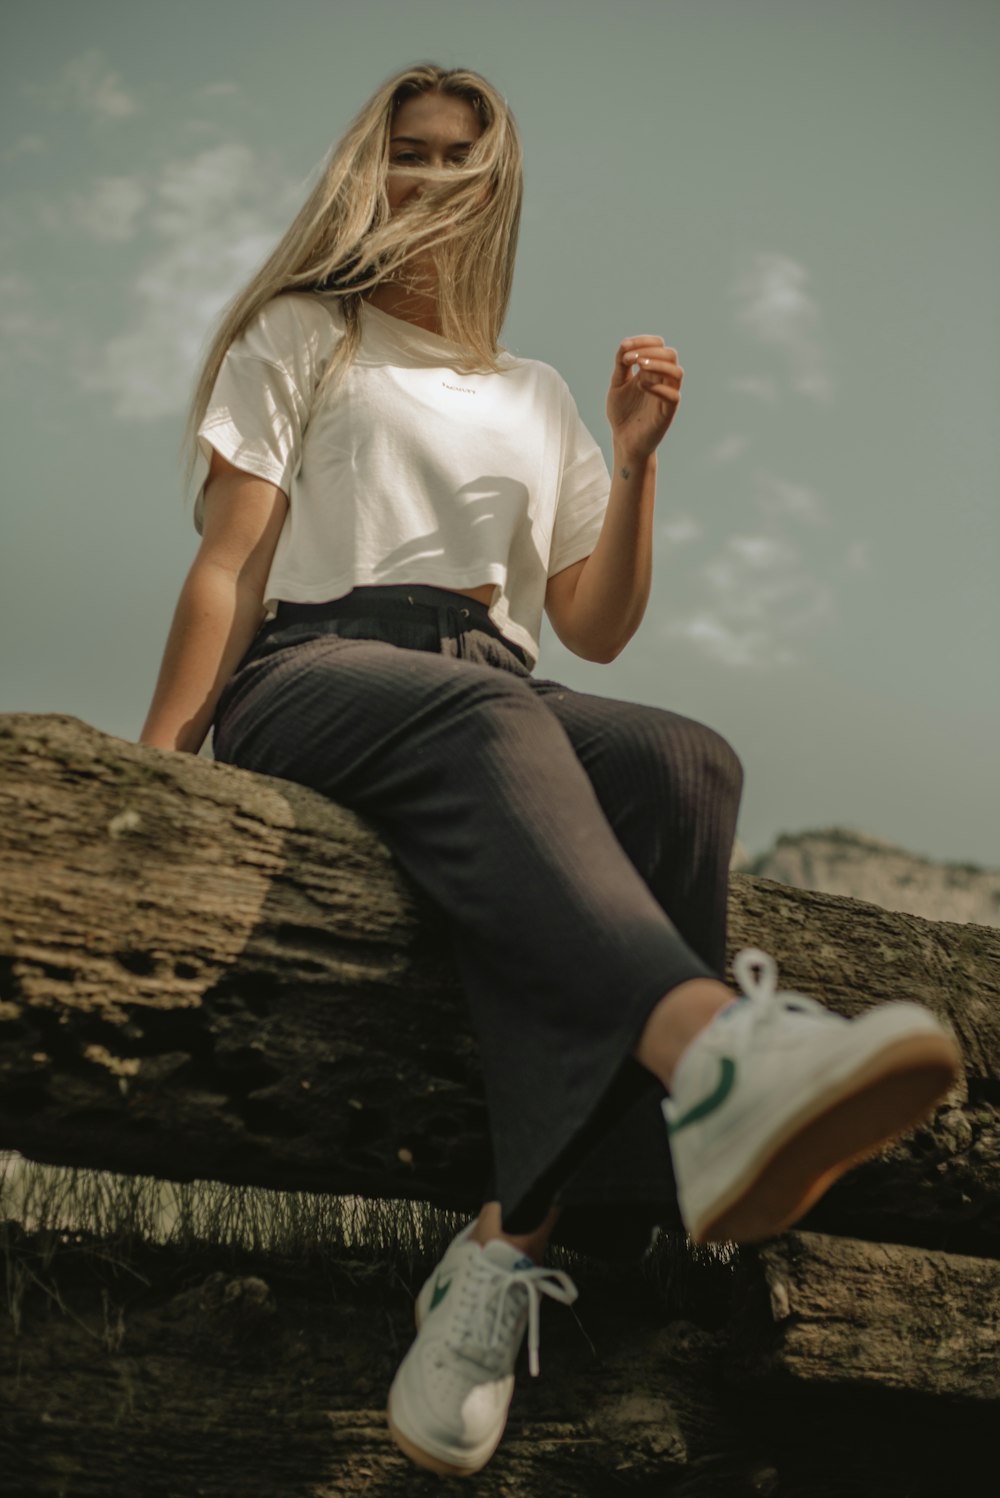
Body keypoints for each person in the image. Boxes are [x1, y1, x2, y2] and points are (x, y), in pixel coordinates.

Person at [140, 63, 961, 1479]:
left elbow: (591, 618)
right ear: (367, 169)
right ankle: (717, 1061)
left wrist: (636, 463)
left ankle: (503, 1246)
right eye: (411, 154)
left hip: (494, 678)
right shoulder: (301, 333)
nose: (435, 180)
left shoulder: (531, 393)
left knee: (681, 758)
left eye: (464, 159)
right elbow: (229, 563)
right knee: (493, 722)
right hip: (317, 672)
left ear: (499, 188)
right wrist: (159, 785)